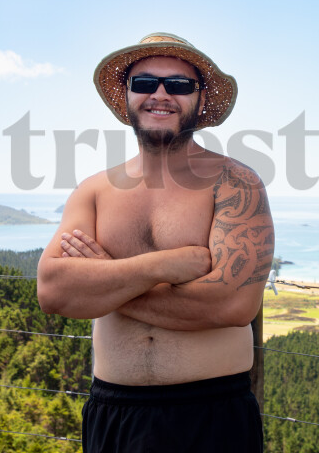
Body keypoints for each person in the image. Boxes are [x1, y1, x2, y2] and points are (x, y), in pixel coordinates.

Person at [37, 33, 274, 453]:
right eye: (144, 83)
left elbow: (233, 306)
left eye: (179, 85)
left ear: (200, 100)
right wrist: (162, 266)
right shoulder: (93, 191)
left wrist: (103, 282)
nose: (160, 95)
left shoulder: (234, 182)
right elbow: (54, 290)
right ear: (127, 96)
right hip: (113, 413)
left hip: (211, 415)